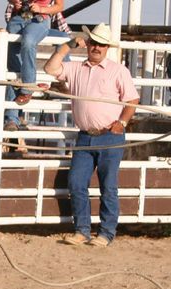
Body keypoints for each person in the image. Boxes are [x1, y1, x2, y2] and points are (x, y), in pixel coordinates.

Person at [44, 23, 139, 247]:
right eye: (94, 42)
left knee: (108, 185)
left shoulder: (118, 70)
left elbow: (132, 100)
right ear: (87, 43)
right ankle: (82, 230)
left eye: (101, 44)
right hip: (85, 135)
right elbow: (50, 68)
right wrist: (69, 45)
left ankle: (106, 233)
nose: (97, 47)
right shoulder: (76, 68)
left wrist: (122, 122)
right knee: (76, 182)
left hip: (109, 135)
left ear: (107, 48)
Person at [4, 0, 64, 131]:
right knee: (13, 69)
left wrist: (41, 9)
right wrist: (14, 2)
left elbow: (59, 6)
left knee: (29, 42)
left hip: (39, 19)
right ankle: (12, 118)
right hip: (18, 17)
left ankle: (28, 88)